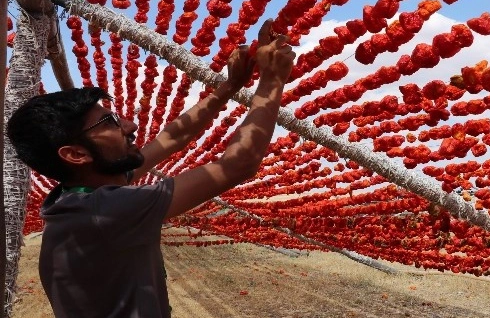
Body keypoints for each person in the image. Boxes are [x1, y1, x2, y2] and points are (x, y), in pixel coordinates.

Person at [6, 19, 295, 317]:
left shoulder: (79, 195)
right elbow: (238, 165)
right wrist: (272, 80)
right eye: (111, 123)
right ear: (76, 154)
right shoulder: (105, 211)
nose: (130, 126)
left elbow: (171, 138)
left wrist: (230, 87)